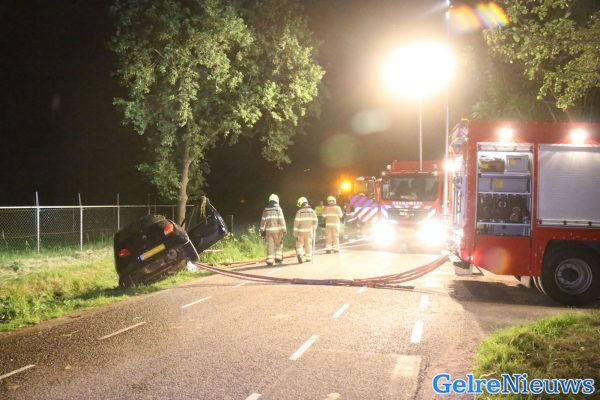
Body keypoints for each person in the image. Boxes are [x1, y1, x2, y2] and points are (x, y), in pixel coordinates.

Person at [259, 194, 287, 265]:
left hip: (268, 231)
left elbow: (263, 220)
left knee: (270, 245)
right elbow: (281, 220)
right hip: (277, 231)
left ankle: (270, 260)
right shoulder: (278, 209)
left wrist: (262, 230)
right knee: (278, 244)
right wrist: (284, 230)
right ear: (277, 200)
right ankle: (278, 258)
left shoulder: (266, 210)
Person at [293, 196, 318, 263]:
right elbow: (315, 221)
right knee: (308, 244)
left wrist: (295, 234)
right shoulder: (312, 211)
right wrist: (314, 228)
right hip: (309, 232)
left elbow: (296, 223)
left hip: (300, 232)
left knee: (299, 244)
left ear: (301, 203)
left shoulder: (299, 212)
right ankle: (308, 257)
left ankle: (300, 254)